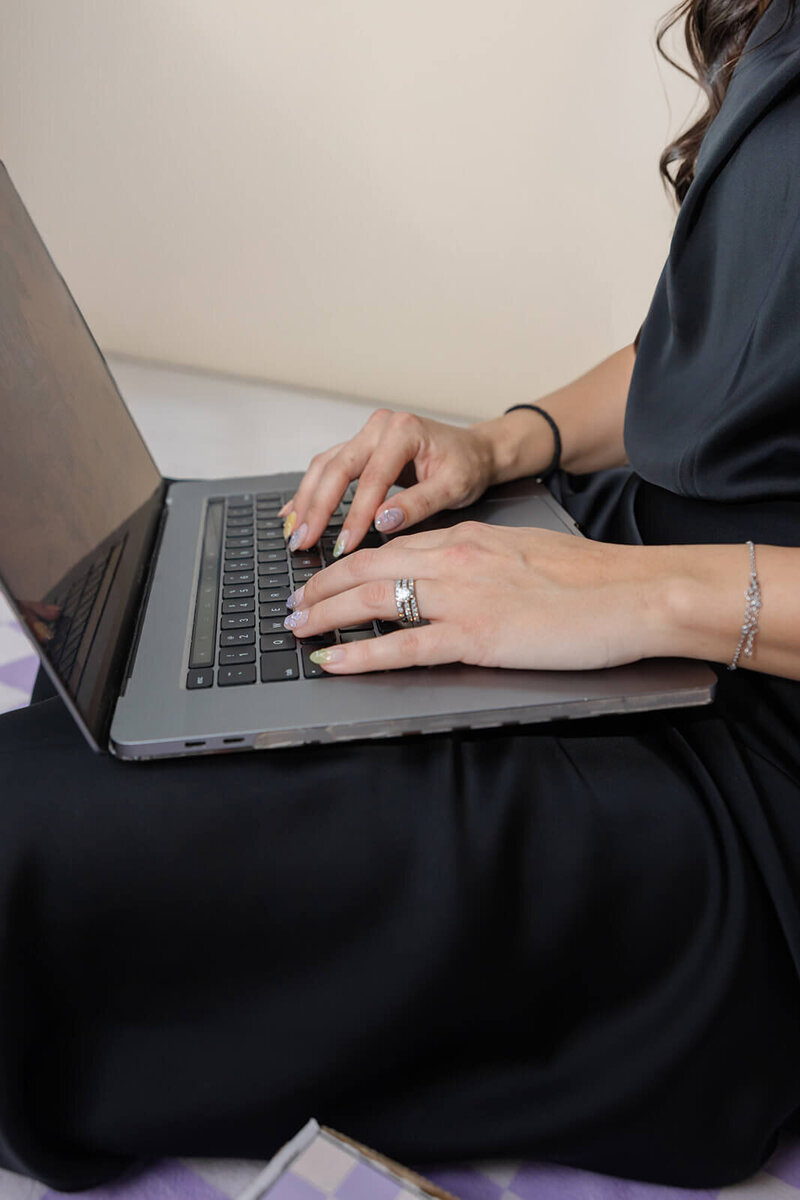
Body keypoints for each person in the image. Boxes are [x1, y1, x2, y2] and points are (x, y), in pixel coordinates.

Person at [2, 0, 800, 1191]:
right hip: (625, 565)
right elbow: (704, 346)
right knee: (112, 715)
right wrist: (503, 445)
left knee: (29, 849)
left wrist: (637, 597)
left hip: (751, 754)